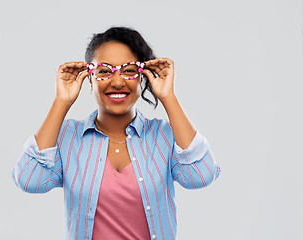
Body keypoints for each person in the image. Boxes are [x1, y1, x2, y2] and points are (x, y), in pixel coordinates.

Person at [12, 26, 221, 240]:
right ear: (89, 78)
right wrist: (61, 102)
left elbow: (201, 175)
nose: (118, 81)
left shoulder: (164, 135)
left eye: (129, 70)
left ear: (142, 77)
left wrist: (168, 97)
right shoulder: (67, 136)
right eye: (104, 71)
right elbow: (30, 180)